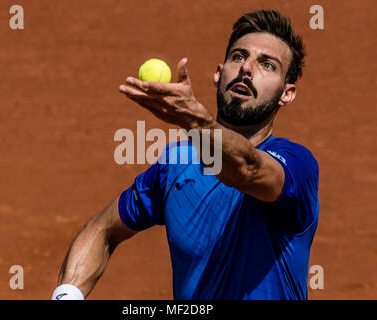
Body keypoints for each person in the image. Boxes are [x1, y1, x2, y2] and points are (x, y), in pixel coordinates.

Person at [51, 9, 319, 300]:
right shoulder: (177, 164)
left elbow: (247, 170)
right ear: (218, 73)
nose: (247, 68)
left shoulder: (297, 165)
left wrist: (197, 123)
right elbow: (103, 230)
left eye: (268, 65)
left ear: (286, 93)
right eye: (239, 57)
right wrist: (66, 294)